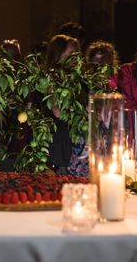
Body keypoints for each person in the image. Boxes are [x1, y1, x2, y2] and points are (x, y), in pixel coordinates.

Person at [45, 34, 81, 174]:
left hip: (76, 147)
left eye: (76, 54)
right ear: (58, 55)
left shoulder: (77, 79)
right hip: (60, 148)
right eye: (71, 54)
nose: (75, 58)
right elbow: (57, 111)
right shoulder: (51, 79)